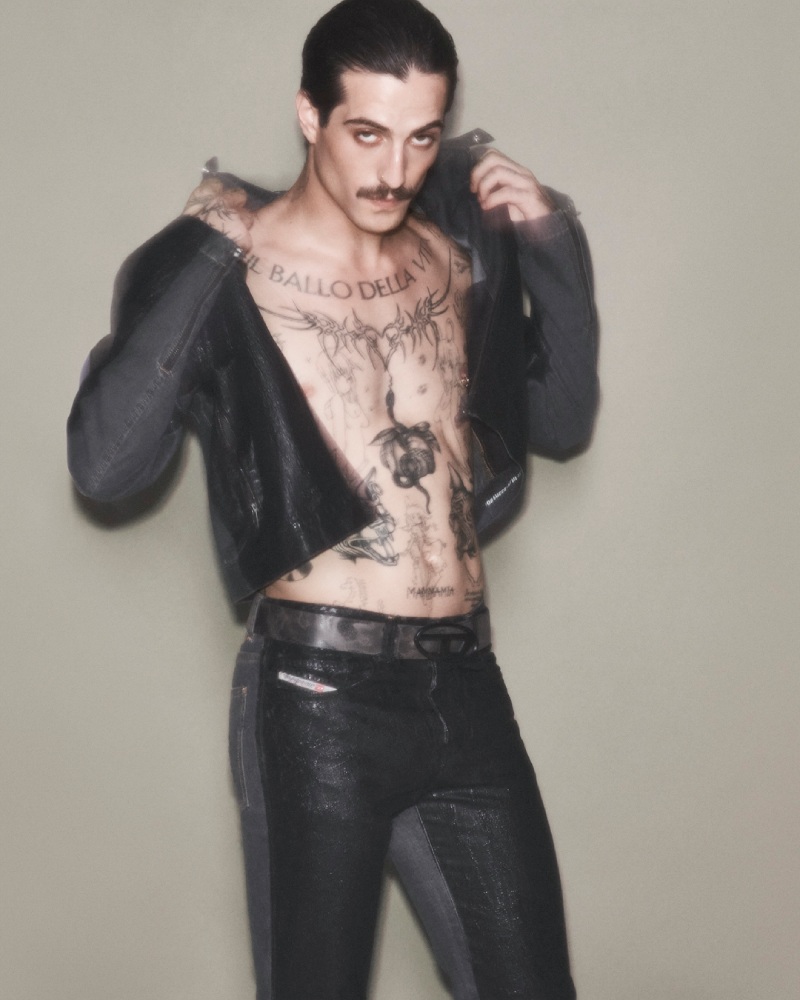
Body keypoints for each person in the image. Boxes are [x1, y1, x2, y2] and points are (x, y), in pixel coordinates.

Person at [67, 1, 598, 996]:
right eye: (366, 133)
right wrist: (209, 250)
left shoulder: (455, 257)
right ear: (309, 114)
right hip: (317, 699)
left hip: (467, 688)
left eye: (421, 137)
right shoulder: (233, 266)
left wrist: (550, 243)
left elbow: (562, 419)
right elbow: (105, 466)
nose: (394, 170)